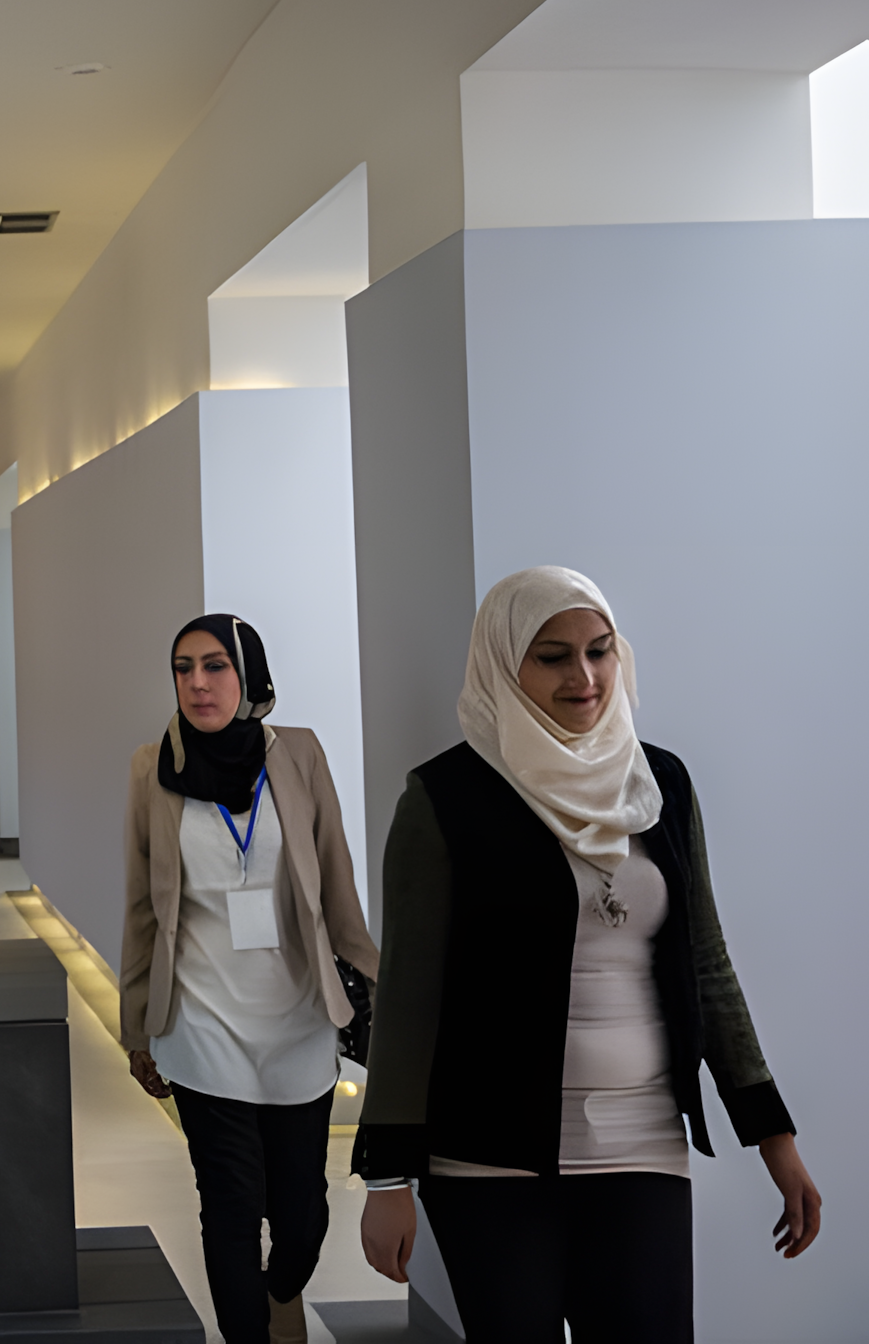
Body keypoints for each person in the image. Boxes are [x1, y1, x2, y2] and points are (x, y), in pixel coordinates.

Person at [355, 567, 820, 1342]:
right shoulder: (445, 798)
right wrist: (386, 1176)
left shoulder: (660, 782)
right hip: (489, 1156)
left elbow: (706, 962)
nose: (585, 676)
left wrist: (774, 1135)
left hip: (644, 1137)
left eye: (600, 651)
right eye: (553, 656)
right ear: (505, 664)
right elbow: (409, 998)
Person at [122, 615, 379, 1344]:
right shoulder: (151, 767)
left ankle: (281, 1291)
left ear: (251, 676)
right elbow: (142, 907)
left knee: (303, 1216)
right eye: (183, 668)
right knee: (230, 1208)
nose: (197, 683)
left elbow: (336, 880)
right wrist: (136, 1028)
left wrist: (374, 983)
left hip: (298, 1021)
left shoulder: (299, 754)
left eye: (215, 666)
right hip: (201, 1024)